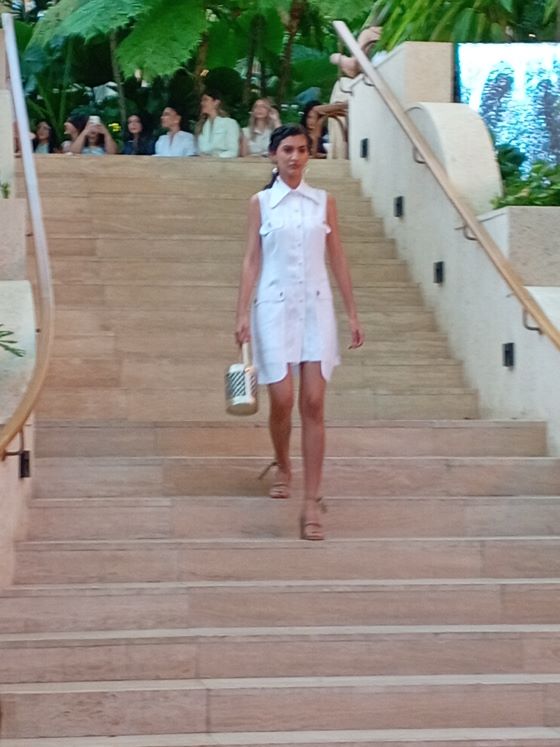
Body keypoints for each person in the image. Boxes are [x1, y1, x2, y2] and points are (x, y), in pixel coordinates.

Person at [235, 125, 364, 541]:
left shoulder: (323, 202)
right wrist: (241, 312)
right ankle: (283, 461)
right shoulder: (261, 203)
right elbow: (251, 259)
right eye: (288, 149)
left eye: (302, 150)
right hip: (273, 307)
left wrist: (352, 312)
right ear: (274, 154)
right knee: (282, 398)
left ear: (310, 155)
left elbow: (337, 256)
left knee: (313, 401)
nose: (295, 157)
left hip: (316, 307)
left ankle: (311, 502)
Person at [196, 91, 240, 158]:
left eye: (205, 100)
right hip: (204, 162)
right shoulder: (201, 126)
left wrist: (216, 157)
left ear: (216, 102)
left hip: (223, 163)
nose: (202, 103)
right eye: (202, 101)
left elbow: (233, 151)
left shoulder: (230, 123)